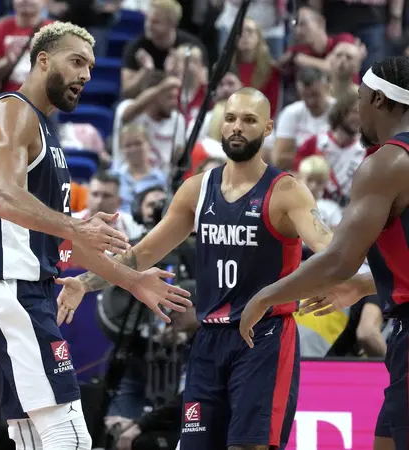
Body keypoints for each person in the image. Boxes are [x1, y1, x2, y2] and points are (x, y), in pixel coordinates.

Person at [56, 87, 336, 450]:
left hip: (264, 338)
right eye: (231, 118)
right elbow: (144, 252)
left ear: (268, 128)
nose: (237, 127)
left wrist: (344, 281)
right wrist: (85, 282)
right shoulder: (197, 190)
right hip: (209, 339)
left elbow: (330, 250)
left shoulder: (286, 191)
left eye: (249, 120)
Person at [0, 22, 191, 450]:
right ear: (43, 60)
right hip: (11, 287)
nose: (85, 74)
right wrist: (75, 225)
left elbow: (64, 240)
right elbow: (2, 197)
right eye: (76, 61)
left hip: (20, 288)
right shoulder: (13, 113)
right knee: (71, 437)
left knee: (31, 436)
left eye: (90, 66)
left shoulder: (46, 130)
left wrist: (132, 280)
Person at [239, 55, 409, 450]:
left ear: (379, 100)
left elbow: (338, 260)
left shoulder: (387, 163)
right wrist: (364, 285)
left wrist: (266, 296)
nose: (358, 111)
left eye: (360, 99)